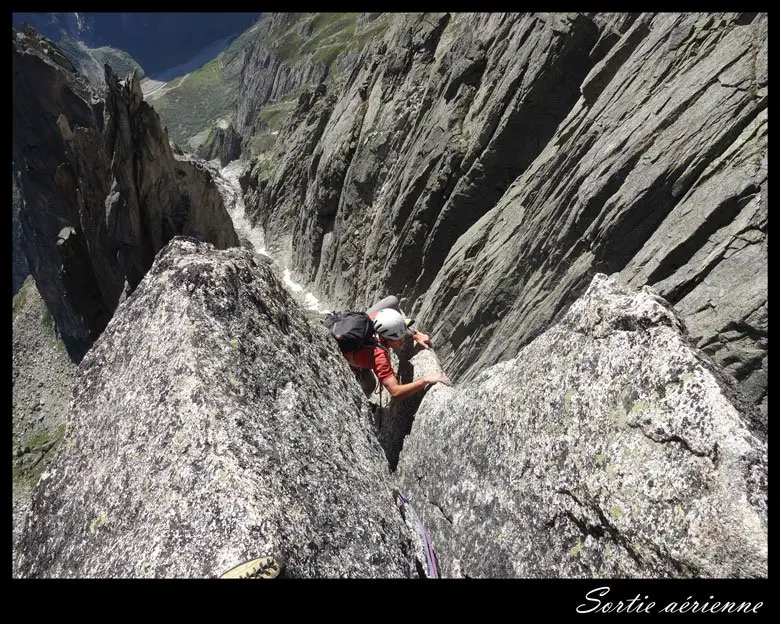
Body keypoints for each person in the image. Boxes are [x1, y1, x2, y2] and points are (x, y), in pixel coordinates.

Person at [344, 306, 451, 400]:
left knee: (392, 300)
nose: (403, 342)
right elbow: (395, 392)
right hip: (349, 359)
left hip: (353, 342)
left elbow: (392, 304)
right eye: (399, 340)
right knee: (370, 384)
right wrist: (425, 380)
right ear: (386, 340)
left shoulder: (377, 318)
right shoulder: (379, 358)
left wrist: (414, 334)